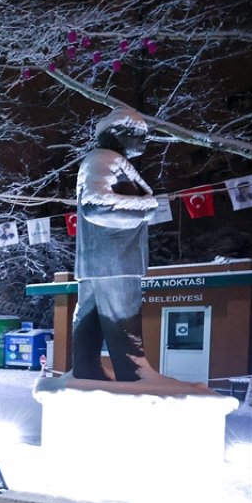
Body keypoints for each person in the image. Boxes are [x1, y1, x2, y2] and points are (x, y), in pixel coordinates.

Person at [71, 107, 158, 381]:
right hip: (117, 260)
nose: (145, 141)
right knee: (124, 323)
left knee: (90, 322)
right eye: (140, 134)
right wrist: (146, 207)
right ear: (120, 133)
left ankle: (87, 372)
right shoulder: (105, 160)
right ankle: (134, 375)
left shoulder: (102, 160)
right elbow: (95, 207)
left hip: (98, 261)